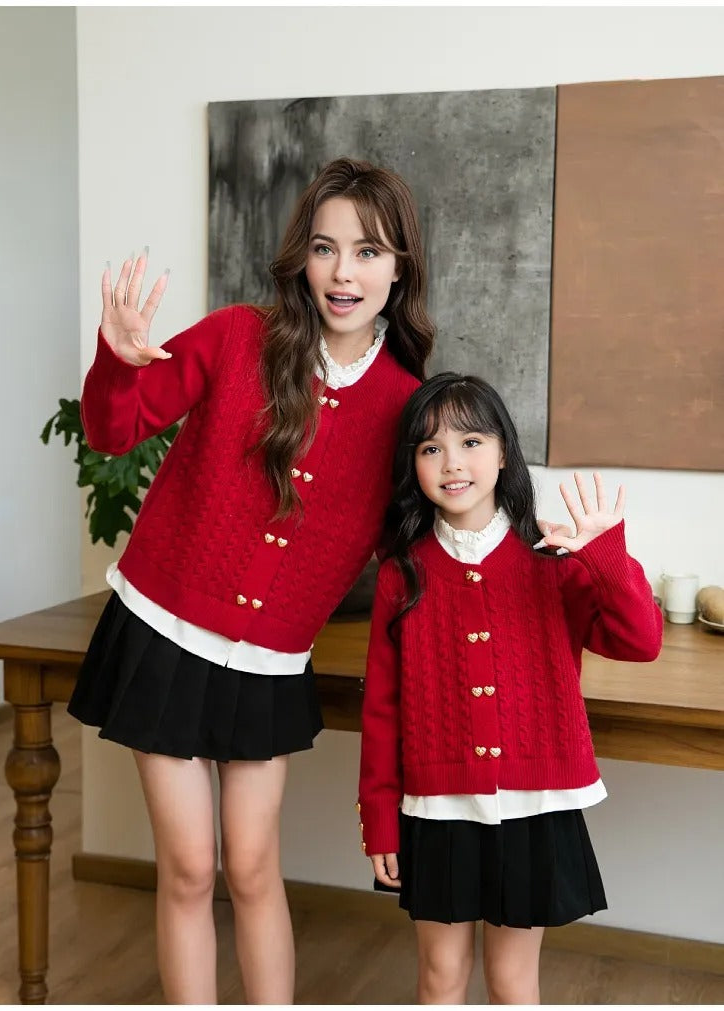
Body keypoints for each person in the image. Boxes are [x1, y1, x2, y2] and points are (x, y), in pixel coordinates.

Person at [66, 157, 434, 1004]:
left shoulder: (405, 408)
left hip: (269, 664)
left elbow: (415, 553)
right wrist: (118, 363)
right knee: (191, 867)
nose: (344, 273)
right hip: (163, 631)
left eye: (368, 252)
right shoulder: (238, 337)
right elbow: (114, 431)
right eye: (325, 248)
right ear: (302, 257)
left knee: (257, 865)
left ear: (399, 268)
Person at [357, 373, 662, 1005]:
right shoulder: (401, 574)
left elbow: (640, 642)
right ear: (411, 463)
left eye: (471, 441)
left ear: (504, 452)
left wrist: (604, 555)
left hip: (535, 805)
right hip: (437, 809)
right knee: (439, 976)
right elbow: (381, 711)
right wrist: (380, 821)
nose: (453, 463)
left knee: (513, 980)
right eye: (430, 447)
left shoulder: (553, 558)